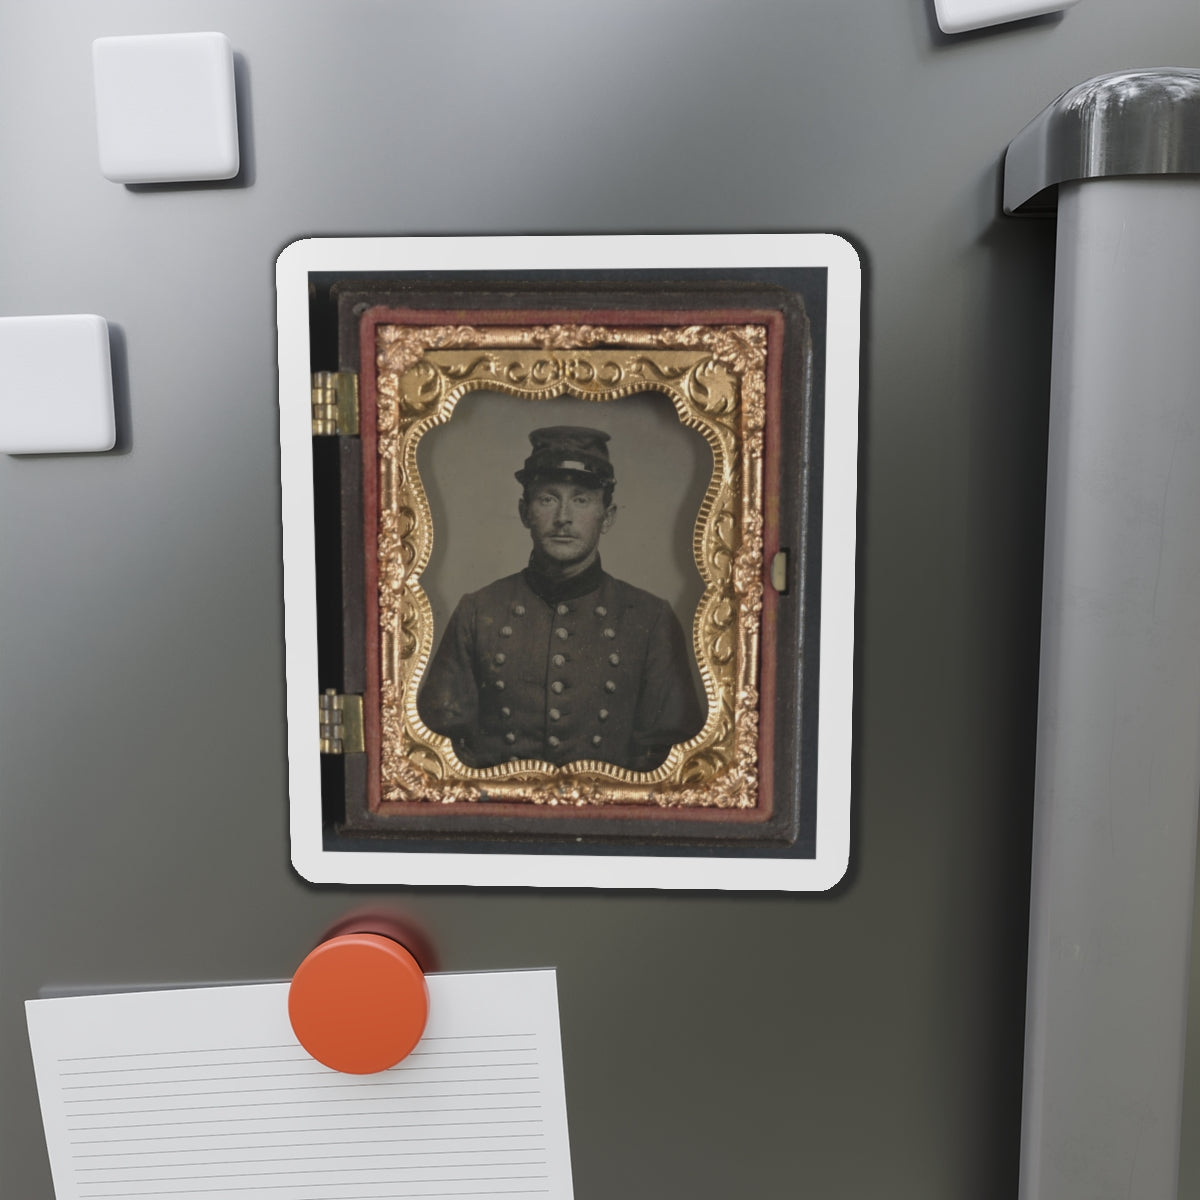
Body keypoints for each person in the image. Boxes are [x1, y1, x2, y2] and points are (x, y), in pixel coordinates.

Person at [417, 426, 705, 771]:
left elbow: (668, 759)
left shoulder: (649, 618)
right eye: (548, 499)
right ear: (525, 512)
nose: (563, 517)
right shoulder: (478, 611)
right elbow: (439, 748)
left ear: (607, 516)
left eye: (581, 499)